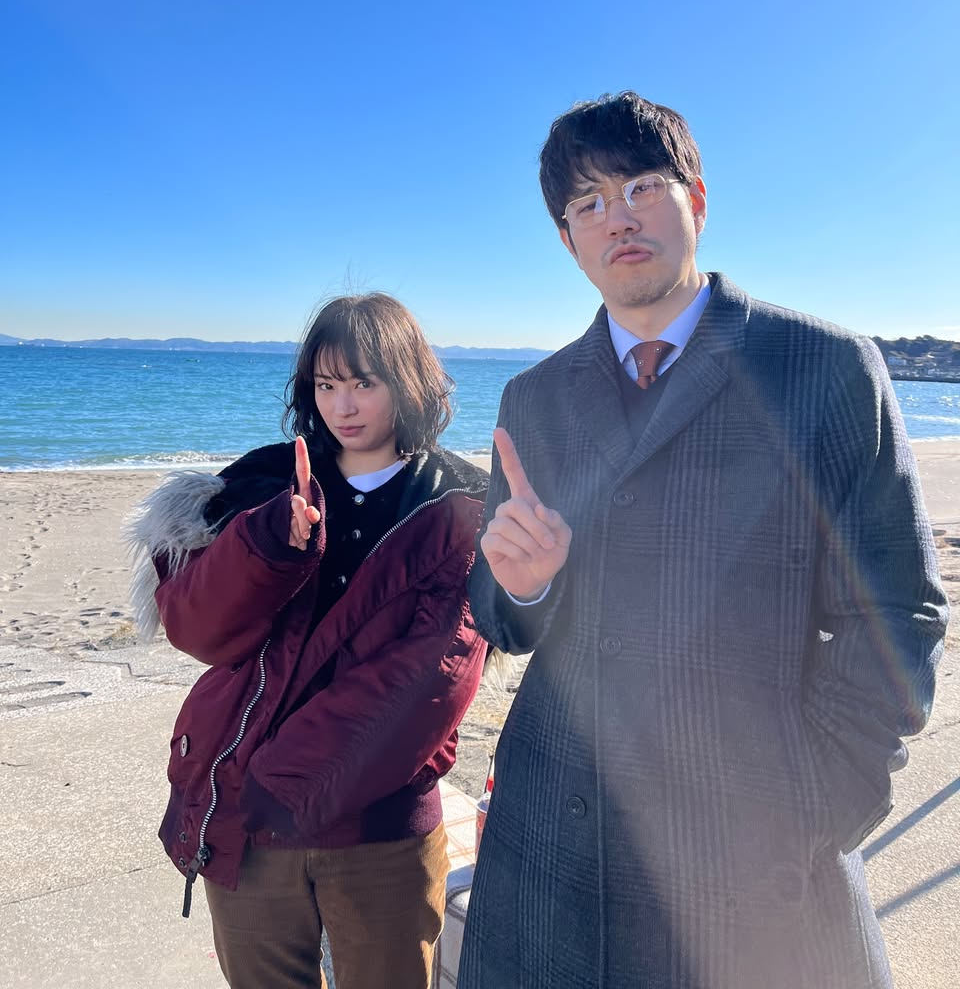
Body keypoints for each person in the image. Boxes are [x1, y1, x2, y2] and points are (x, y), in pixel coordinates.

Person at [459, 93, 948, 989]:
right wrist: (524, 585)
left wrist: (818, 809)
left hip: (755, 845)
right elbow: (498, 615)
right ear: (567, 240)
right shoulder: (535, 398)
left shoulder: (824, 369)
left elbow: (898, 611)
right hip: (556, 833)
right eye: (587, 203)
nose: (617, 218)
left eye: (641, 186)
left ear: (698, 200)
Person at [126, 293, 489, 989]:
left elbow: (433, 678)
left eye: (363, 382)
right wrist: (268, 548)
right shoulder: (263, 485)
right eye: (326, 385)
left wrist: (279, 785)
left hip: (377, 827)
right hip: (250, 828)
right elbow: (196, 630)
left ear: (408, 382)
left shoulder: (460, 505)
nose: (342, 406)